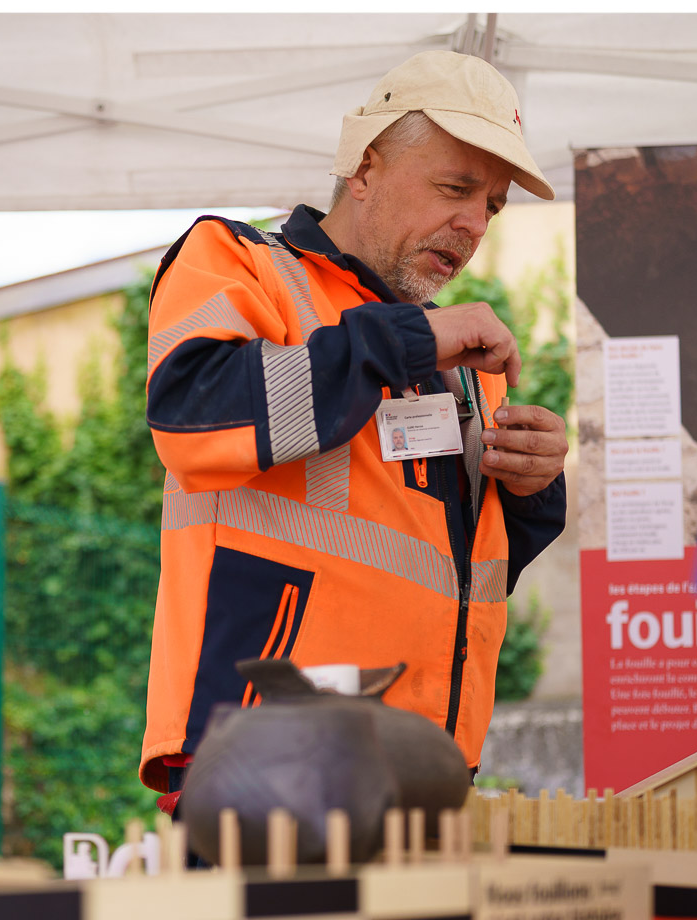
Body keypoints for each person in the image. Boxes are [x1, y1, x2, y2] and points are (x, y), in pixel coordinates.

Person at [139, 51, 569, 813]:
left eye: (493, 207)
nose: (472, 225)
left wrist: (533, 488)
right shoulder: (236, 264)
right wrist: (402, 341)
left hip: (427, 775)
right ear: (364, 167)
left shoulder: (462, 357)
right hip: (266, 759)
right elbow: (192, 416)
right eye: (455, 187)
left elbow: (462, 576)